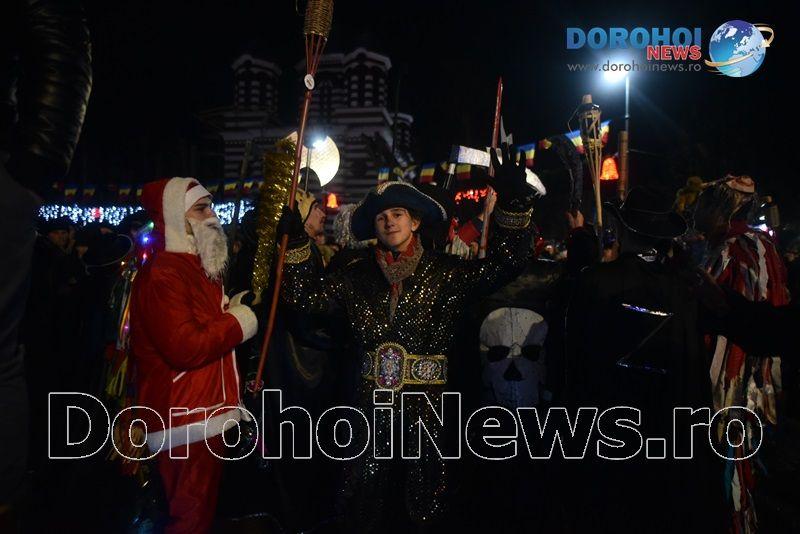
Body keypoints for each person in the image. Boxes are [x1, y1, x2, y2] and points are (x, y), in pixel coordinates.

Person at [277, 144, 537, 531]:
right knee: (364, 506)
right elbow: (304, 297)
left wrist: (512, 206)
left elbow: (506, 265)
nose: (389, 222)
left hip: (430, 411)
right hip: (369, 410)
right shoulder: (354, 276)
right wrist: (296, 244)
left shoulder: (447, 273)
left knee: (426, 506)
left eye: (397, 214)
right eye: (381, 217)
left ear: (415, 222)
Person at [564, 187, 723, 532]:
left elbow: (574, 359)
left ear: (623, 230)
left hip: (610, 429)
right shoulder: (685, 289)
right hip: (667, 434)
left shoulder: (596, 282)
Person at [130, 177, 258, 534]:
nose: (212, 215)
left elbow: (199, 324)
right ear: (176, 216)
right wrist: (239, 321)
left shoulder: (196, 267)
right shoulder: (164, 273)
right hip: (184, 415)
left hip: (204, 410)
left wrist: (229, 308)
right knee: (189, 520)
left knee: (199, 515)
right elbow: (185, 347)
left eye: (211, 206)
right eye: (201, 209)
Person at [694, 174, 789, 533]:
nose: (696, 211)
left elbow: (727, 312)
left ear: (721, 208)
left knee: (727, 450)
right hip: (751, 364)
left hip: (732, 373)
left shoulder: (733, 249)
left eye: (703, 204)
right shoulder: (760, 245)